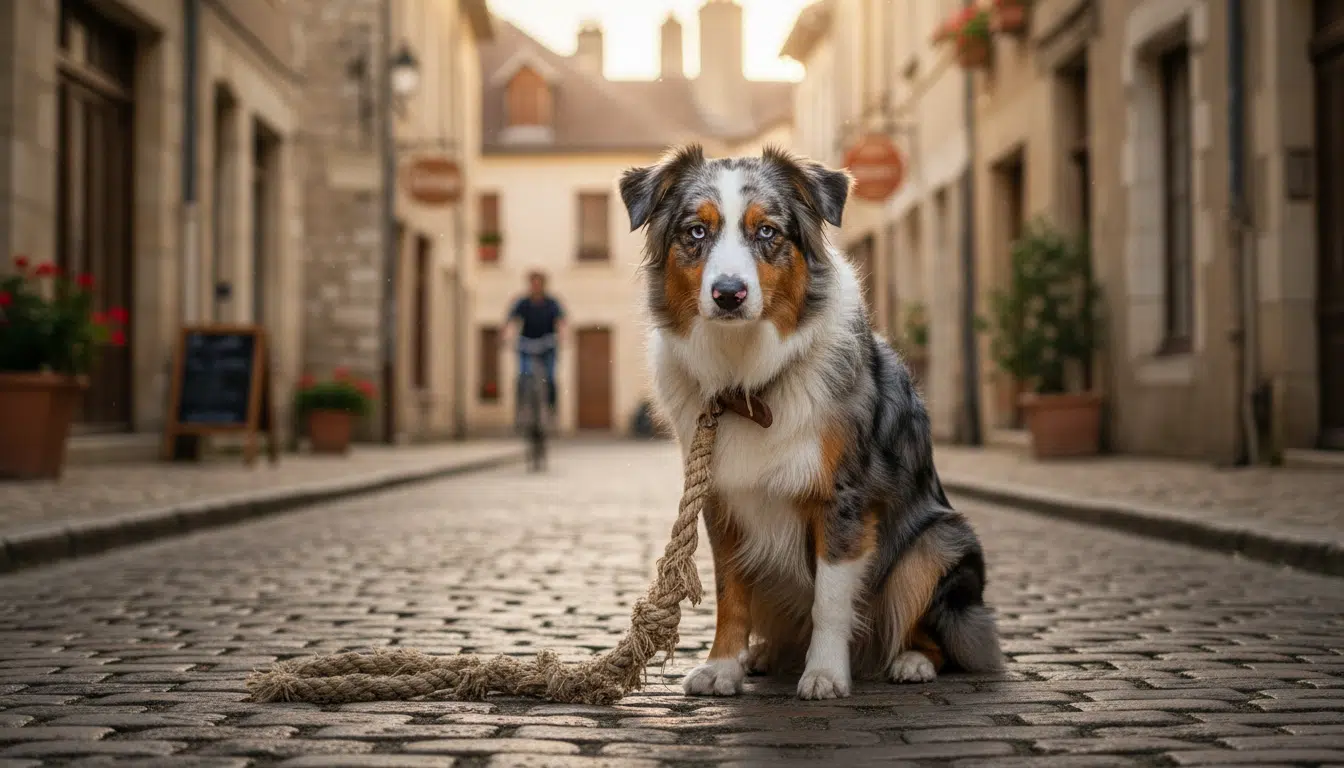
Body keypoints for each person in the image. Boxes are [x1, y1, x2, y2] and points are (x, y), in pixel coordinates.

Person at [502, 270, 565, 425]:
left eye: (539, 283)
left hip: (547, 345)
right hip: (527, 344)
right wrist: (506, 336)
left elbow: (562, 323)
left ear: (543, 285)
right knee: (522, 375)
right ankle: (521, 408)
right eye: (533, 283)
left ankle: (551, 408)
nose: (536, 286)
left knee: (550, 378)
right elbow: (511, 321)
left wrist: (562, 337)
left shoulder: (552, 303)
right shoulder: (523, 303)